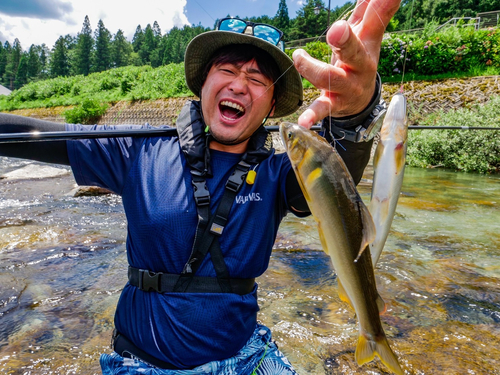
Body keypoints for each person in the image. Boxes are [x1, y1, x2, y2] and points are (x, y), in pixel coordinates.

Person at [0, 0, 400, 373]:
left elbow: (337, 185)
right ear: (202, 84)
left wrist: (356, 114)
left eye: (257, 78)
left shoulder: (282, 173)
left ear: (273, 104)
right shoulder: (137, 150)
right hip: (140, 363)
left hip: (246, 358)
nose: (239, 85)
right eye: (227, 70)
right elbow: (39, 136)